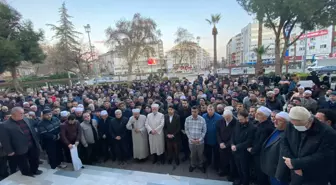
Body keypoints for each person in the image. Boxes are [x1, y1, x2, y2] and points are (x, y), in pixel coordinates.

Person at [282, 106, 336, 185]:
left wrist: (297, 163)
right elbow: (284, 143)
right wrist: (292, 163)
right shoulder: (291, 125)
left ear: (309, 120)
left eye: (302, 126)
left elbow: (325, 155)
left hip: (315, 174)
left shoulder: (327, 132)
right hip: (294, 172)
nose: (299, 128)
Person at [3, 107, 42, 176]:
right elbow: (5, 139)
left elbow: (32, 131)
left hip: (32, 144)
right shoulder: (5, 125)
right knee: (23, 162)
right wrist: (9, 151)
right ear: (13, 114)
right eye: (21, 113)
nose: (23, 114)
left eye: (23, 113)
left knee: (35, 159)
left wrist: (37, 141)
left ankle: (34, 170)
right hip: (19, 147)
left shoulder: (26, 119)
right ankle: (26, 173)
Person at [261, 112, 290, 185]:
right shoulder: (277, 129)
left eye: (279, 120)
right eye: (275, 119)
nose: (275, 121)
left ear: (287, 123)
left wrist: (279, 175)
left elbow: (283, 157)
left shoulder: (287, 135)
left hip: (278, 173)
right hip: (270, 169)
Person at [249, 106, 274, 185]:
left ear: (265, 116)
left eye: (259, 114)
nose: (256, 115)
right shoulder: (261, 124)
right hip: (257, 153)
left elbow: (261, 142)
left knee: (261, 173)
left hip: (261, 154)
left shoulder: (266, 127)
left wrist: (252, 150)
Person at [231, 110, 255, 185]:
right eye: (238, 119)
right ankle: (240, 180)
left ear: (246, 118)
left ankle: (245, 182)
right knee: (238, 168)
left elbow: (249, 141)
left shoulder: (252, 127)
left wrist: (237, 146)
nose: (239, 120)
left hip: (244, 153)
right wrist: (232, 144)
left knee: (244, 169)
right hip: (236, 151)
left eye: (241, 119)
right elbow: (233, 134)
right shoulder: (238, 123)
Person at [185, 106, 207, 173]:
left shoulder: (202, 119)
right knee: (192, 154)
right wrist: (190, 138)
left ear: (198, 111)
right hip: (191, 141)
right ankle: (193, 165)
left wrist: (199, 139)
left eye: (195, 112)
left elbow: (204, 131)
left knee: (200, 154)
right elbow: (186, 130)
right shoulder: (187, 119)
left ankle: (201, 165)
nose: (193, 113)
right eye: (192, 111)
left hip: (200, 142)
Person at [216, 110, 237, 179]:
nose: (226, 119)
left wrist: (227, 144)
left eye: (228, 118)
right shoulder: (220, 121)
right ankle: (223, 171)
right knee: (222, 159)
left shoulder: (236, 123)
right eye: (225, 118)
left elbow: (234, 136)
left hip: (230, 145)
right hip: (221, 144)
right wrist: (220, 142)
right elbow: (218, 133)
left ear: (231, 116)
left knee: (231, 161)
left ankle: (231, 174)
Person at [202, 104, 222, 171]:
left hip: (216, 139)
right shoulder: (203, 116)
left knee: (216, 154)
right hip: (206, 138)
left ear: (214, 110)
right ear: (207, 110)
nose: (210, 111)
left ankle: (216, 166)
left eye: (211, 109)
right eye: (209, 109)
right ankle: (208, 162)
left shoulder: (219, 117)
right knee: (208, 152)